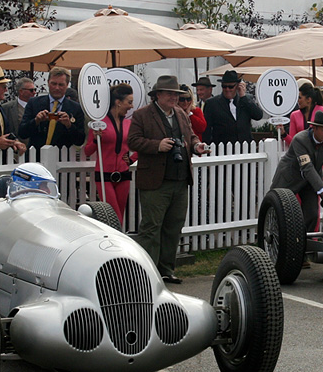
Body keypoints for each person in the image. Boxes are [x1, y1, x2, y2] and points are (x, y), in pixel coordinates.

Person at [128, 75, 207, 284]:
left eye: (177, 94)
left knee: (173, 226)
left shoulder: (181, 114)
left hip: (180, 179)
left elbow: (191, 137)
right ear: (158, 95)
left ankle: (166, 270)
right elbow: (133, 141)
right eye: (170, 94)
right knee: (151, 228)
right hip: (156, 181)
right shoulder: (142, 115)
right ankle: (147, 274)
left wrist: (197, 145)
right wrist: (157, 146)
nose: (175, 97)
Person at [269, 109, 323, 233]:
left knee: (312, 214)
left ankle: (305, 244)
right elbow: (307, 167)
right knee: (277, 208)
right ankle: (272, 237)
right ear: (314, 128)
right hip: (290, 176)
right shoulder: (300, 139)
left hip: (311, 181)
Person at [83, 84, 137, 225]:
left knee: (120, 213)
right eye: (129, 102)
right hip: (104, 175)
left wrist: (131, 160)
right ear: (118, 102)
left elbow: (140, 145)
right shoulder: (99, 123)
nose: (131, 106)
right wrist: (96, 139)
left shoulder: (129, 124)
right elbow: (88, 151)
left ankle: (118, 242)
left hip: (124, 175)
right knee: (113, 215)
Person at [18, 67, 86, 151]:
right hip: (35, 156)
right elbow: (22, 133)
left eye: (61, 85)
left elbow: (80, 140)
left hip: (62, 158)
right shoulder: (34, 103)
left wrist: (69, 125)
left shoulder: (76, 108)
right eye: (53, 84)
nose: (57, 88)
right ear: (48, 82)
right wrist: (36, 121)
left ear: (67, 85)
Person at [202, 70, 263, 146]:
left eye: (231, 87)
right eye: (224, 86)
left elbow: (258, 115)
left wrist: (243, 97)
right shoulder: (212, 103)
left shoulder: (246, 100)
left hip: (245, 148)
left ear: (237, 86)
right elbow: (206, 130)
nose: (227, 89)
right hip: (222, 148)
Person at [286, 81, 323, 146]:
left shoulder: (322, 110)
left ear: (309, 99)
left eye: (300, 97)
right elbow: (293, 142)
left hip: (320, 151)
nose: (298, 100)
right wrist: (284, 134)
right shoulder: (294, 115)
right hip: (301, 152)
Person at [1, 77, 36, 144]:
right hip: (15, 150)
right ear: (21, 91)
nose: (34, 92)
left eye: (35, 89)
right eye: (31, 90)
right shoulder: (7, 108)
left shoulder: (38, 107)